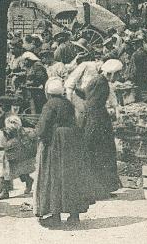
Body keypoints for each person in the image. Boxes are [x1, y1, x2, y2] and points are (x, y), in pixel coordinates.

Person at [33, 78, 94, 227]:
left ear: (48, 93)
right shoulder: (67, 103)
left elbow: (42, 128)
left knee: (55, 176)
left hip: (57, 142)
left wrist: (37, 134)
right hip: (72, 140)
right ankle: (74, 215)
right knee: (71, 176)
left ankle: (55, 216)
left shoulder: (49, 104)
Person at [75, 64, 120, 200]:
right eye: (116, 74)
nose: (117, 77)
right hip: (97, 121)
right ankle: (99, 190)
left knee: (99, 155)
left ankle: (100, 189)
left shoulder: (97, 80)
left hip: (95, 119)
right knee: (101, 154)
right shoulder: (101, 83)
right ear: (111, 73)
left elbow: (85, 95)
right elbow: (93, 103)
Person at [0, 115, 35, 200]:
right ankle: (28, 181)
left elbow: (3, 142)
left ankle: (5, 192)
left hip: (10, 152)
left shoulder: (8, 129)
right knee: (14, 170)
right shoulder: (11, 127)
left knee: (7, 171)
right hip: (10, 151)